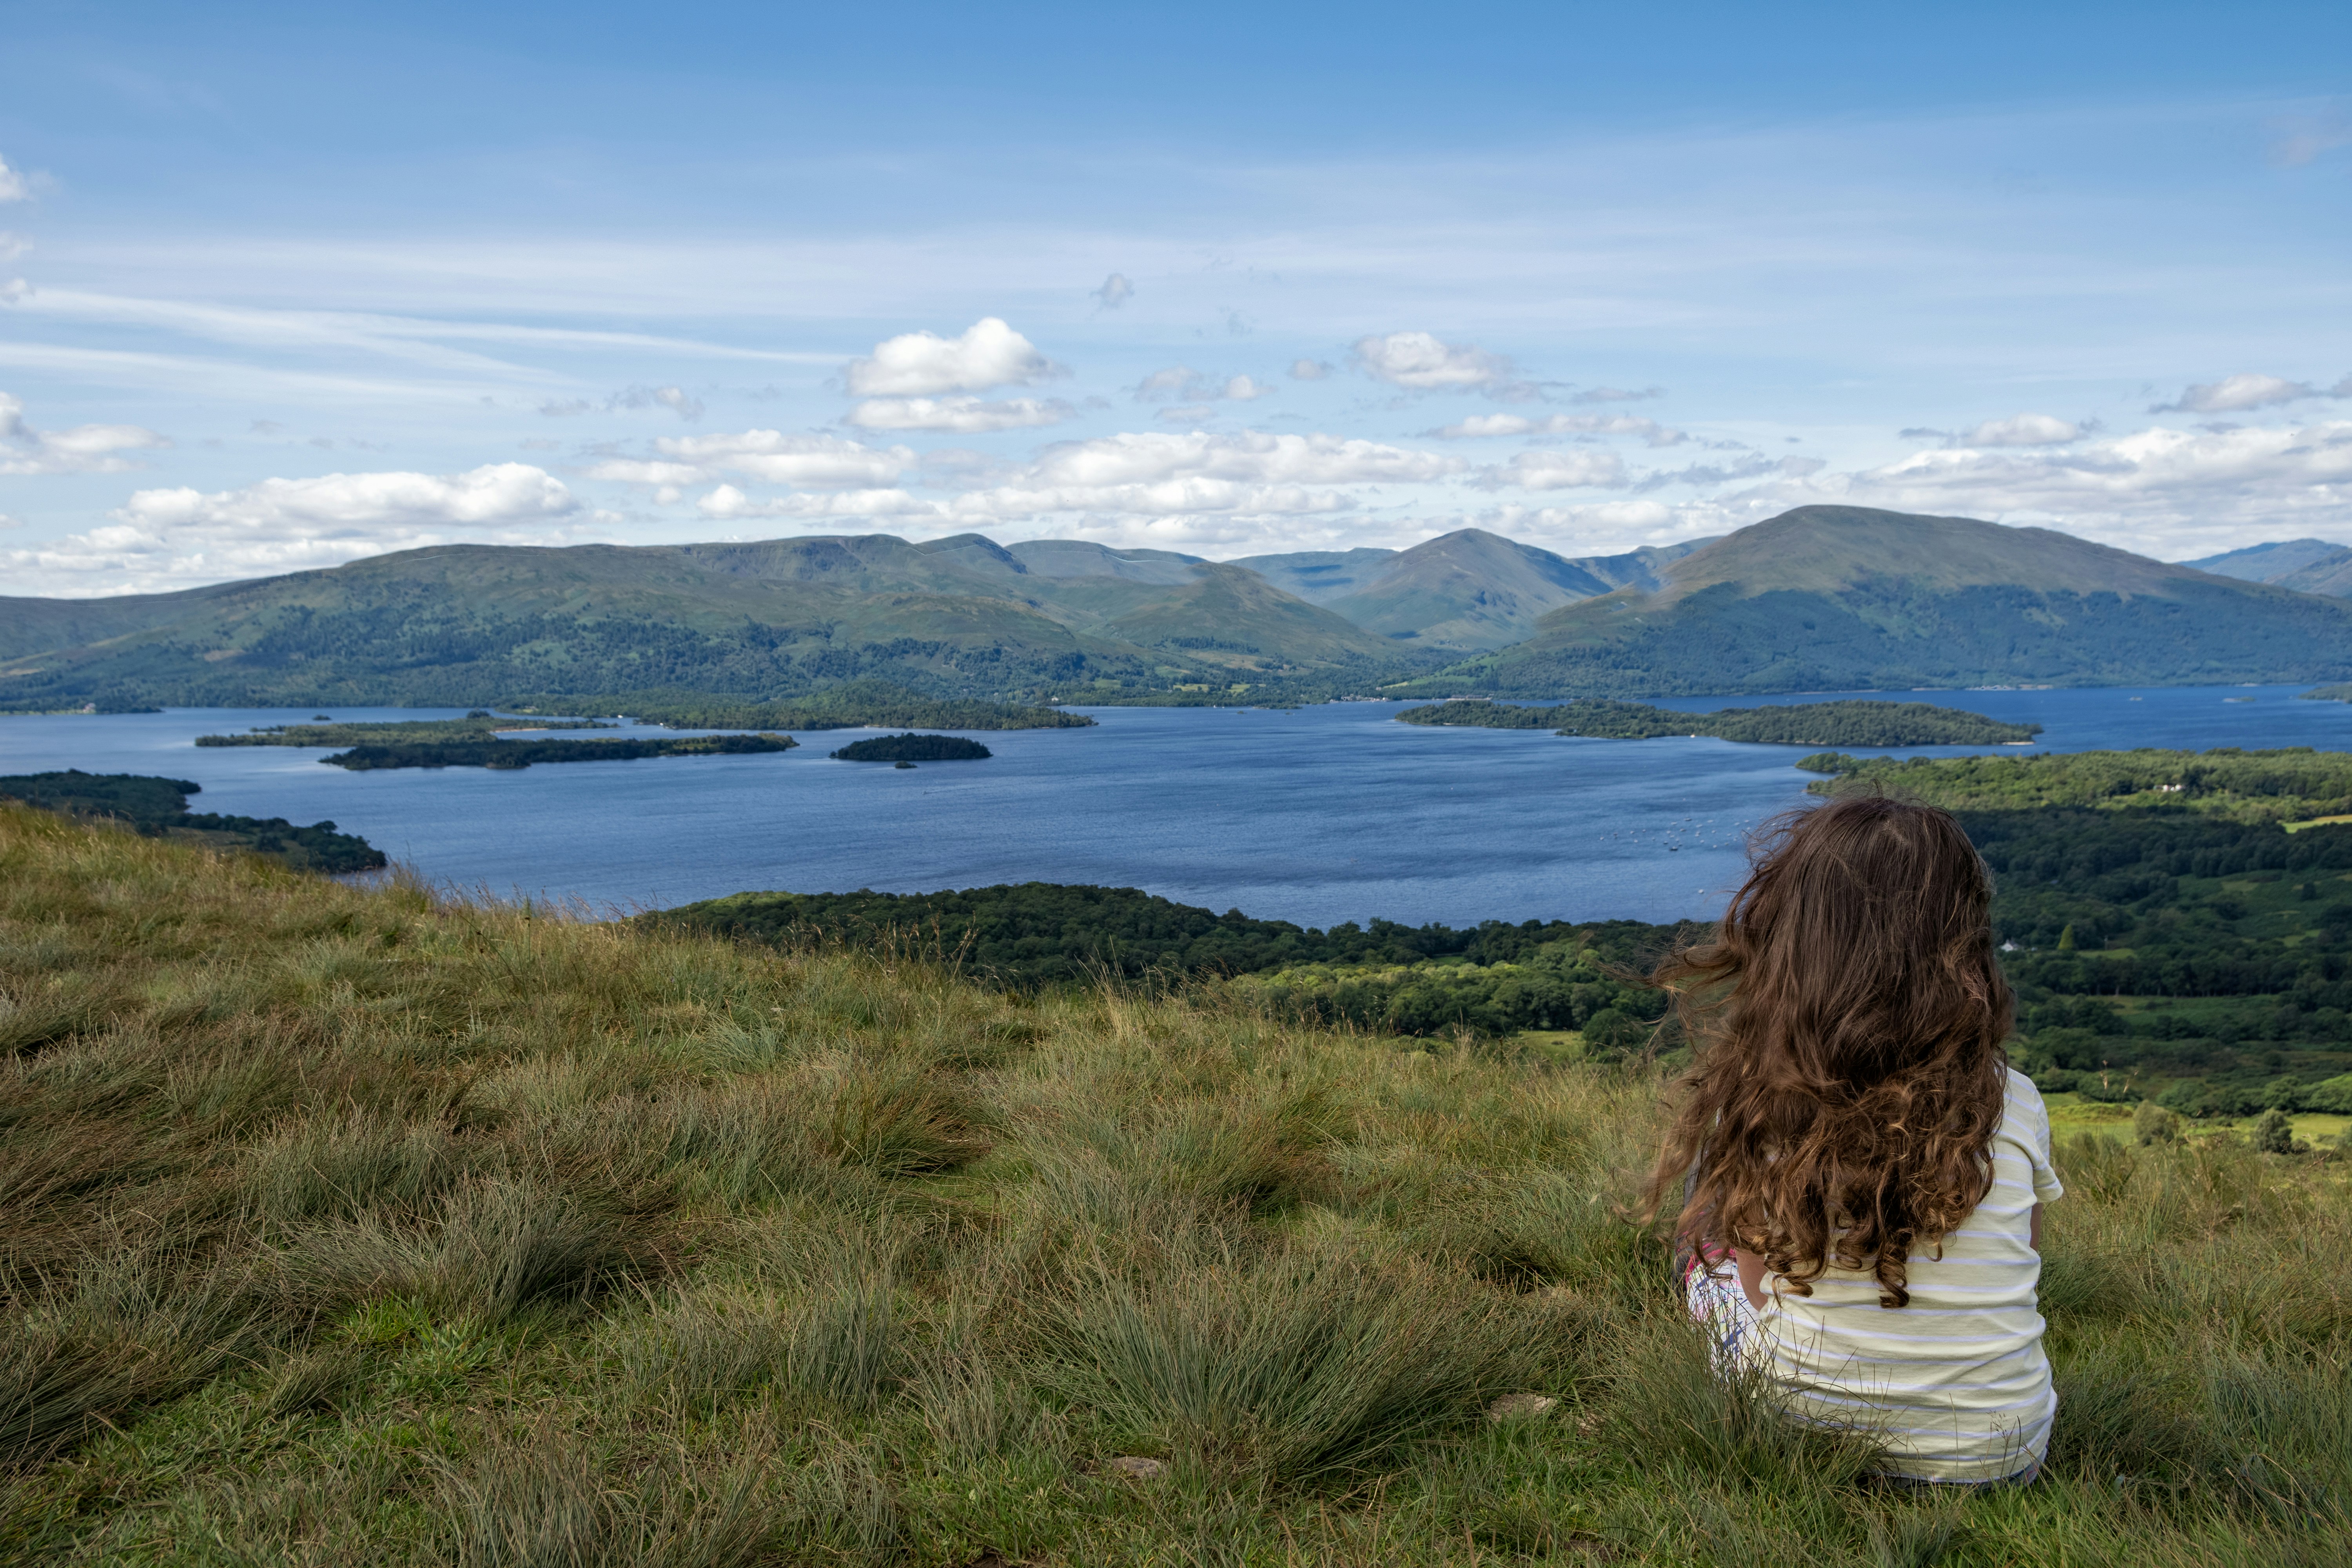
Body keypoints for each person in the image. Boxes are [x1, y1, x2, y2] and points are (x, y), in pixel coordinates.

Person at [1638, 793, 2063, 1485]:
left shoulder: (1770, 1100)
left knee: (1706, 1247)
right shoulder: (2012, 1098)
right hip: (2001, 1456)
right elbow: (2028, 1255)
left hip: (1799, 1435)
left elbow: (1755, 1288)